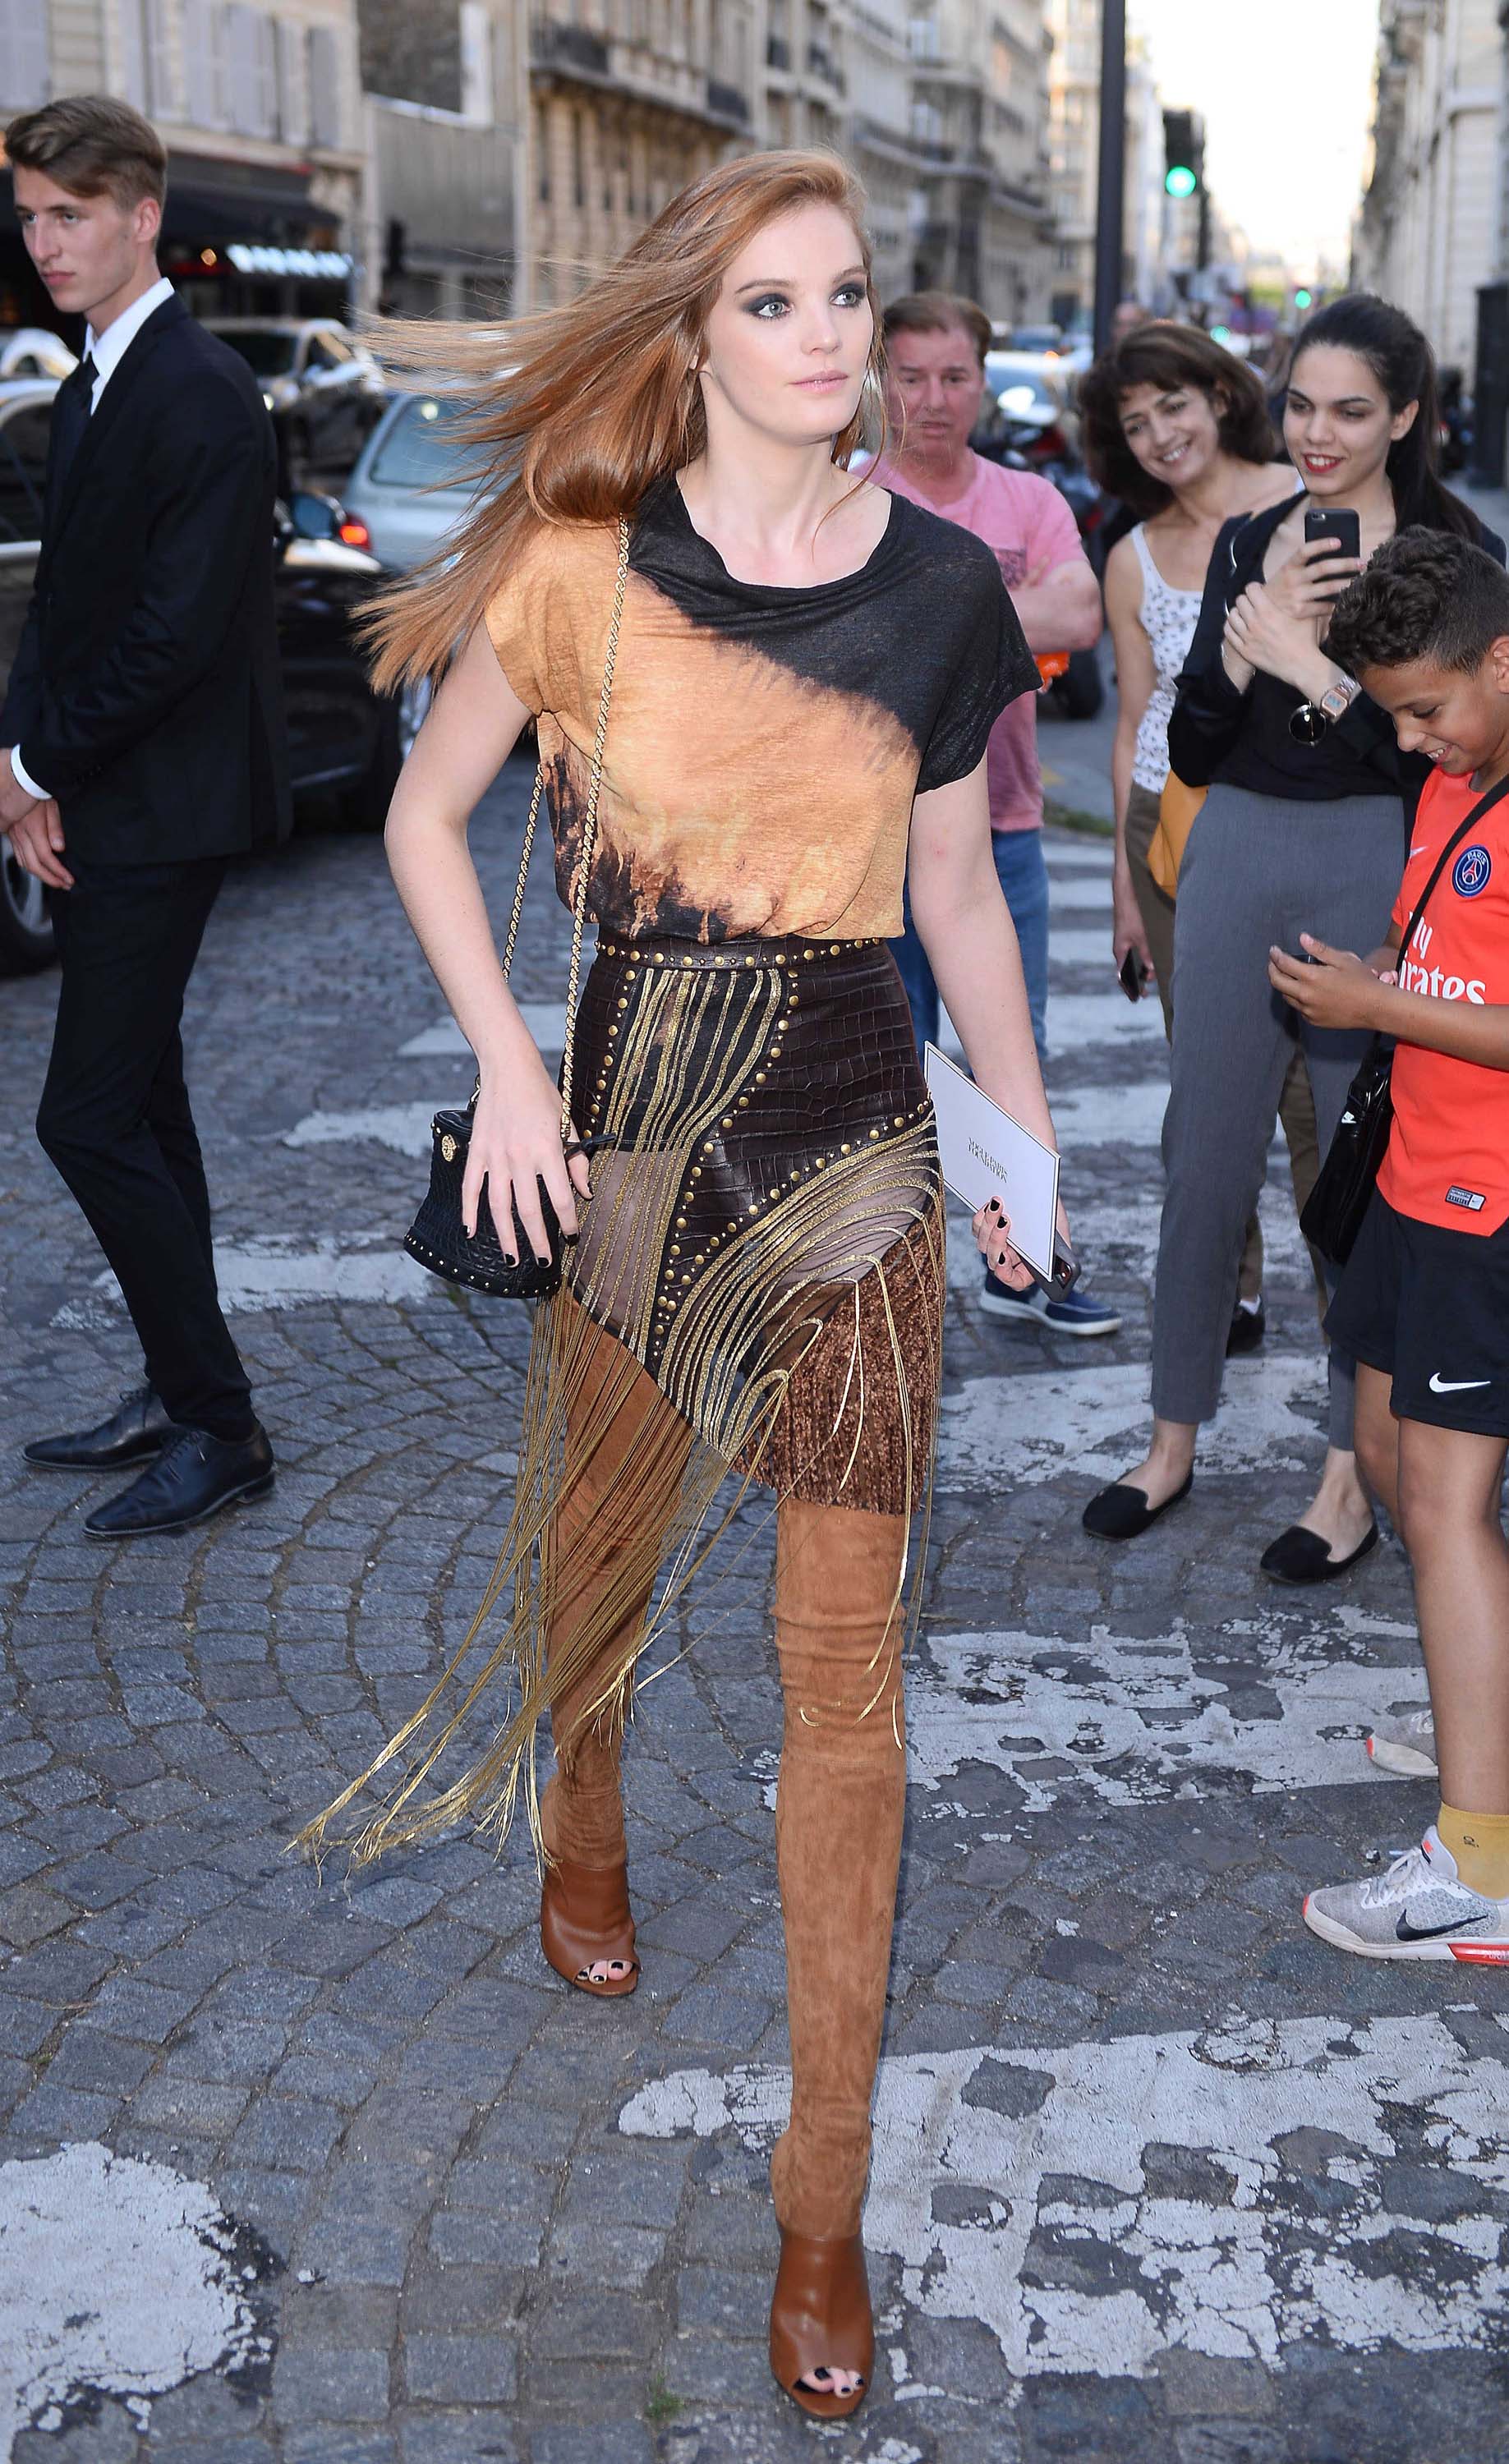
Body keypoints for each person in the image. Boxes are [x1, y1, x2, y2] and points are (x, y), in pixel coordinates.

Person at [297, 154, 1066, 2418]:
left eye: (846, 299)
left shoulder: (941, 594)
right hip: (630, 1131)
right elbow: (422, 821)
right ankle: (586, 1801)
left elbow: (956, 900)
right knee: (598, 1567)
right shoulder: (574, 564)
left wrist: (1019, 1154)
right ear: (696, 336)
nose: (829, 340)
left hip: (848, 1150)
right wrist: (509, 1074)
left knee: (848, 1692)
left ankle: (814, 2212)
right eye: (776, 305)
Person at [1082, 293, 1504, 1577]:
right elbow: (1194, 738)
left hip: (1378, 859)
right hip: (1239, 845)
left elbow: (1458, 759)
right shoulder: (1256, 535)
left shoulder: (1452, 551)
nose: (1316, 433)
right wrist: (1244, 644)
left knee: (1353, 1167)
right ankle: (1170, 1439)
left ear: (1408, 417)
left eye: (1351, 411)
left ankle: (1344, 1473)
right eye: (1301, 403)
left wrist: (1322, 675)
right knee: (1200, 1154)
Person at [1, 96, 288, 1537]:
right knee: (147, 1107)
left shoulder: (202, 394)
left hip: (170, 804)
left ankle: (221, 1422)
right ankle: (185, 1393)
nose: (44, 241)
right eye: (32, 215)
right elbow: (66, 605)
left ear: (141, 216)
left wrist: (42, 767)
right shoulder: (90, 384)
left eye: (71, 214)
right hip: (114, 795)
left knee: (86, 1118)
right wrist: (24, 756)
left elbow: (171, 637)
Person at [1272, 528, 1509, 1961]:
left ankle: (1478, 1863)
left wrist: (1382, 1012)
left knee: (1440, 1510)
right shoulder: (1451, 776)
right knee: (1379, 1459)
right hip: (1415, 1189)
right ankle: (1477, 1711)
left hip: (1490, 1209)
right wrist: (1379, 979)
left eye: (1426, 709)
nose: (1409, 740)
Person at [869, 289, 1118, 1337]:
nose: (933, 399)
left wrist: (923, 615)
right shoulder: (845, 495)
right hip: (870, 846)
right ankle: (887, 1278)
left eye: (954, 376)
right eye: (912, 375)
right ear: (883, 378)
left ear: (984, 380)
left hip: (1002, 829)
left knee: (1009, 1059)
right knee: (884, 1074)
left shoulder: (1025, 501)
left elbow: (1081, 610)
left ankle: (1017, 1265)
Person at [1081, 321, 1315, 1358]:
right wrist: (1127, 892)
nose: (1159, 434)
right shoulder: (1131, 558)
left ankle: (1351, 1275)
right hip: (1172, 826)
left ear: (1220, 396)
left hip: (1305, 817)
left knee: (1315, 1081)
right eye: (1135, 424)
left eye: (1172, 404)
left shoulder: (1309, 503)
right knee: (1209, 1075)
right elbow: (1136, 721)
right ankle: (1235, 1285)